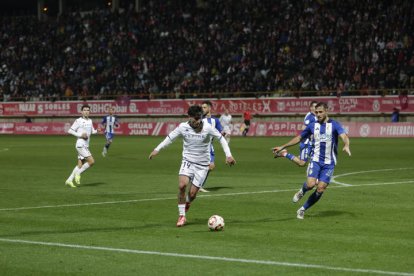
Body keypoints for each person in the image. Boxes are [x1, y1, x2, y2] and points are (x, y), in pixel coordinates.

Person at [149, 105, 236, 227]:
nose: (196, 122)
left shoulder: (208, 128)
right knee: (182, 185)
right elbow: (170, 138)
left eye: (198, 119)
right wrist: (157, 149)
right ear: (188, 117)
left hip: (202, 165)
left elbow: (221, 139)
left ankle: (187, 203)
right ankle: (182, 216)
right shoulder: (183, 127)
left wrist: (228, 155)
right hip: (187, 161)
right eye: (194, 119)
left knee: (193, 194)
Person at [272, 102, 351, 219]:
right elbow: (299, 138)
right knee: (310, 185)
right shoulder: (313, 126)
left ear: (326, 111)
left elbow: (344, 136)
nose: (318, 114)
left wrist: (346, 145)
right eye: (316, 112)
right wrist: (283, 146)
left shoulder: (334, 124)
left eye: (320, 112)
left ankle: (302, 209)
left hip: (329, 163)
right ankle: (302, 191)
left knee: (320, 188)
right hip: (316, 160)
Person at [65, 104, 100, 188]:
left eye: (88, 110)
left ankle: (69, 180)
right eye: (84, 110)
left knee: (80, 165)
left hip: (85, 145)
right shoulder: (78, 121)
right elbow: (70, 130)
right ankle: (78, 173)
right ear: (81, 112)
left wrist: (96, 131)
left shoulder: (90, 121)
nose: (86, 111)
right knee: (91, 161)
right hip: (80, 145)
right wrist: (80, 135)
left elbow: (91, 132)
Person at [274, 101, 318, 167]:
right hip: (307, 143)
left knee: (306, 159)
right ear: (311, 108)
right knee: (302, 163)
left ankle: (284, 153)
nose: (317, 109)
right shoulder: (310, 117)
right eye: (315, 107)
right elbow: (304, 128)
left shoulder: (312, 115)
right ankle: (284, 153)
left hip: (312, 142)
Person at [199, 100, 223, 192]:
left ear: (209, 108)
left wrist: (223, 133)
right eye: (202, 108)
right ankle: (198, 185)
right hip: (200, 146)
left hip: (209, 146)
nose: (203, 109)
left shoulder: (215, 120)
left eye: (204, 107)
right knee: (206, 166)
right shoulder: (200, 119)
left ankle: (199, 185)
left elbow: (220, 130)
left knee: (210, 166)